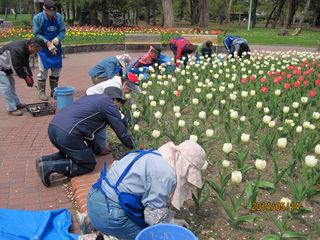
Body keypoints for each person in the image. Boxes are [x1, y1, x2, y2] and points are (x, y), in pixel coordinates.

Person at [86, 140, 207, 240]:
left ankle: (94, 224)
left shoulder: (156, 156)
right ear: (186, 168)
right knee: (151, 236)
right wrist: (172, 223)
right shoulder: (166, 175)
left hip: (95, 197)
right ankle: (106, 236)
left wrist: (169, 218)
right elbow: (153, 217)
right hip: (110, 214)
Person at [36, 87, 135, 187]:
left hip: (54, 127)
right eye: (119, 104)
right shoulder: (109, 105)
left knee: (72, 152)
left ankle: (44, 160)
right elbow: (121, 131)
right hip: (68, 133)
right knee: (87, 164)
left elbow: (89, 133)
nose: (118, 108)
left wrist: (97, 149)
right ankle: (49, 167)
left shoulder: (92, 99)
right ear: (115, 99)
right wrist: (134, 145)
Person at [0, 38, 46, 116]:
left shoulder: (26, 47)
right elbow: (17, 67)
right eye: (37, 50)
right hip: (1, 67)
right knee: (6, 88)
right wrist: (26, 77)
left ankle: (17, 104)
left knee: (11, 86)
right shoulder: (18, 49)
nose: (37, 53)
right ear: (32, 46)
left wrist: (30, 75)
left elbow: (25, 63)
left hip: (6, 67)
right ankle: (11, 109)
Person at [33, 0, 66, 101]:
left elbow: (62, 31)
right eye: (50, 12)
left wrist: (57, 39)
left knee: (56, 70)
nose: (52, 15)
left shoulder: (59, 17)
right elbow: (36, 34)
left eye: (54, 12)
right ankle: (42, 92)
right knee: (43, 71)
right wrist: (47, 42)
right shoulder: (38, 18)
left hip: (56, 47)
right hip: (43, 48)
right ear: (44, 9)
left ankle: (54, 90)